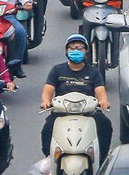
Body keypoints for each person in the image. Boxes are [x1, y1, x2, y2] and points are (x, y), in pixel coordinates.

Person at [41, 34, 112, 163]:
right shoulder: (57, 70)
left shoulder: (94, 72)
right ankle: (50, 159)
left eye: (80, 48)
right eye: (72, 48)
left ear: (86, 53)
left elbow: (100, 91)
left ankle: (101, 158)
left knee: (104, 124)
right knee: (47, 128)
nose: (76, 51)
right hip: (61, 111)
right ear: (66, 51)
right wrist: (46, 101)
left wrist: (103, 101)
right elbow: (48, 90)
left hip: (88, 111)